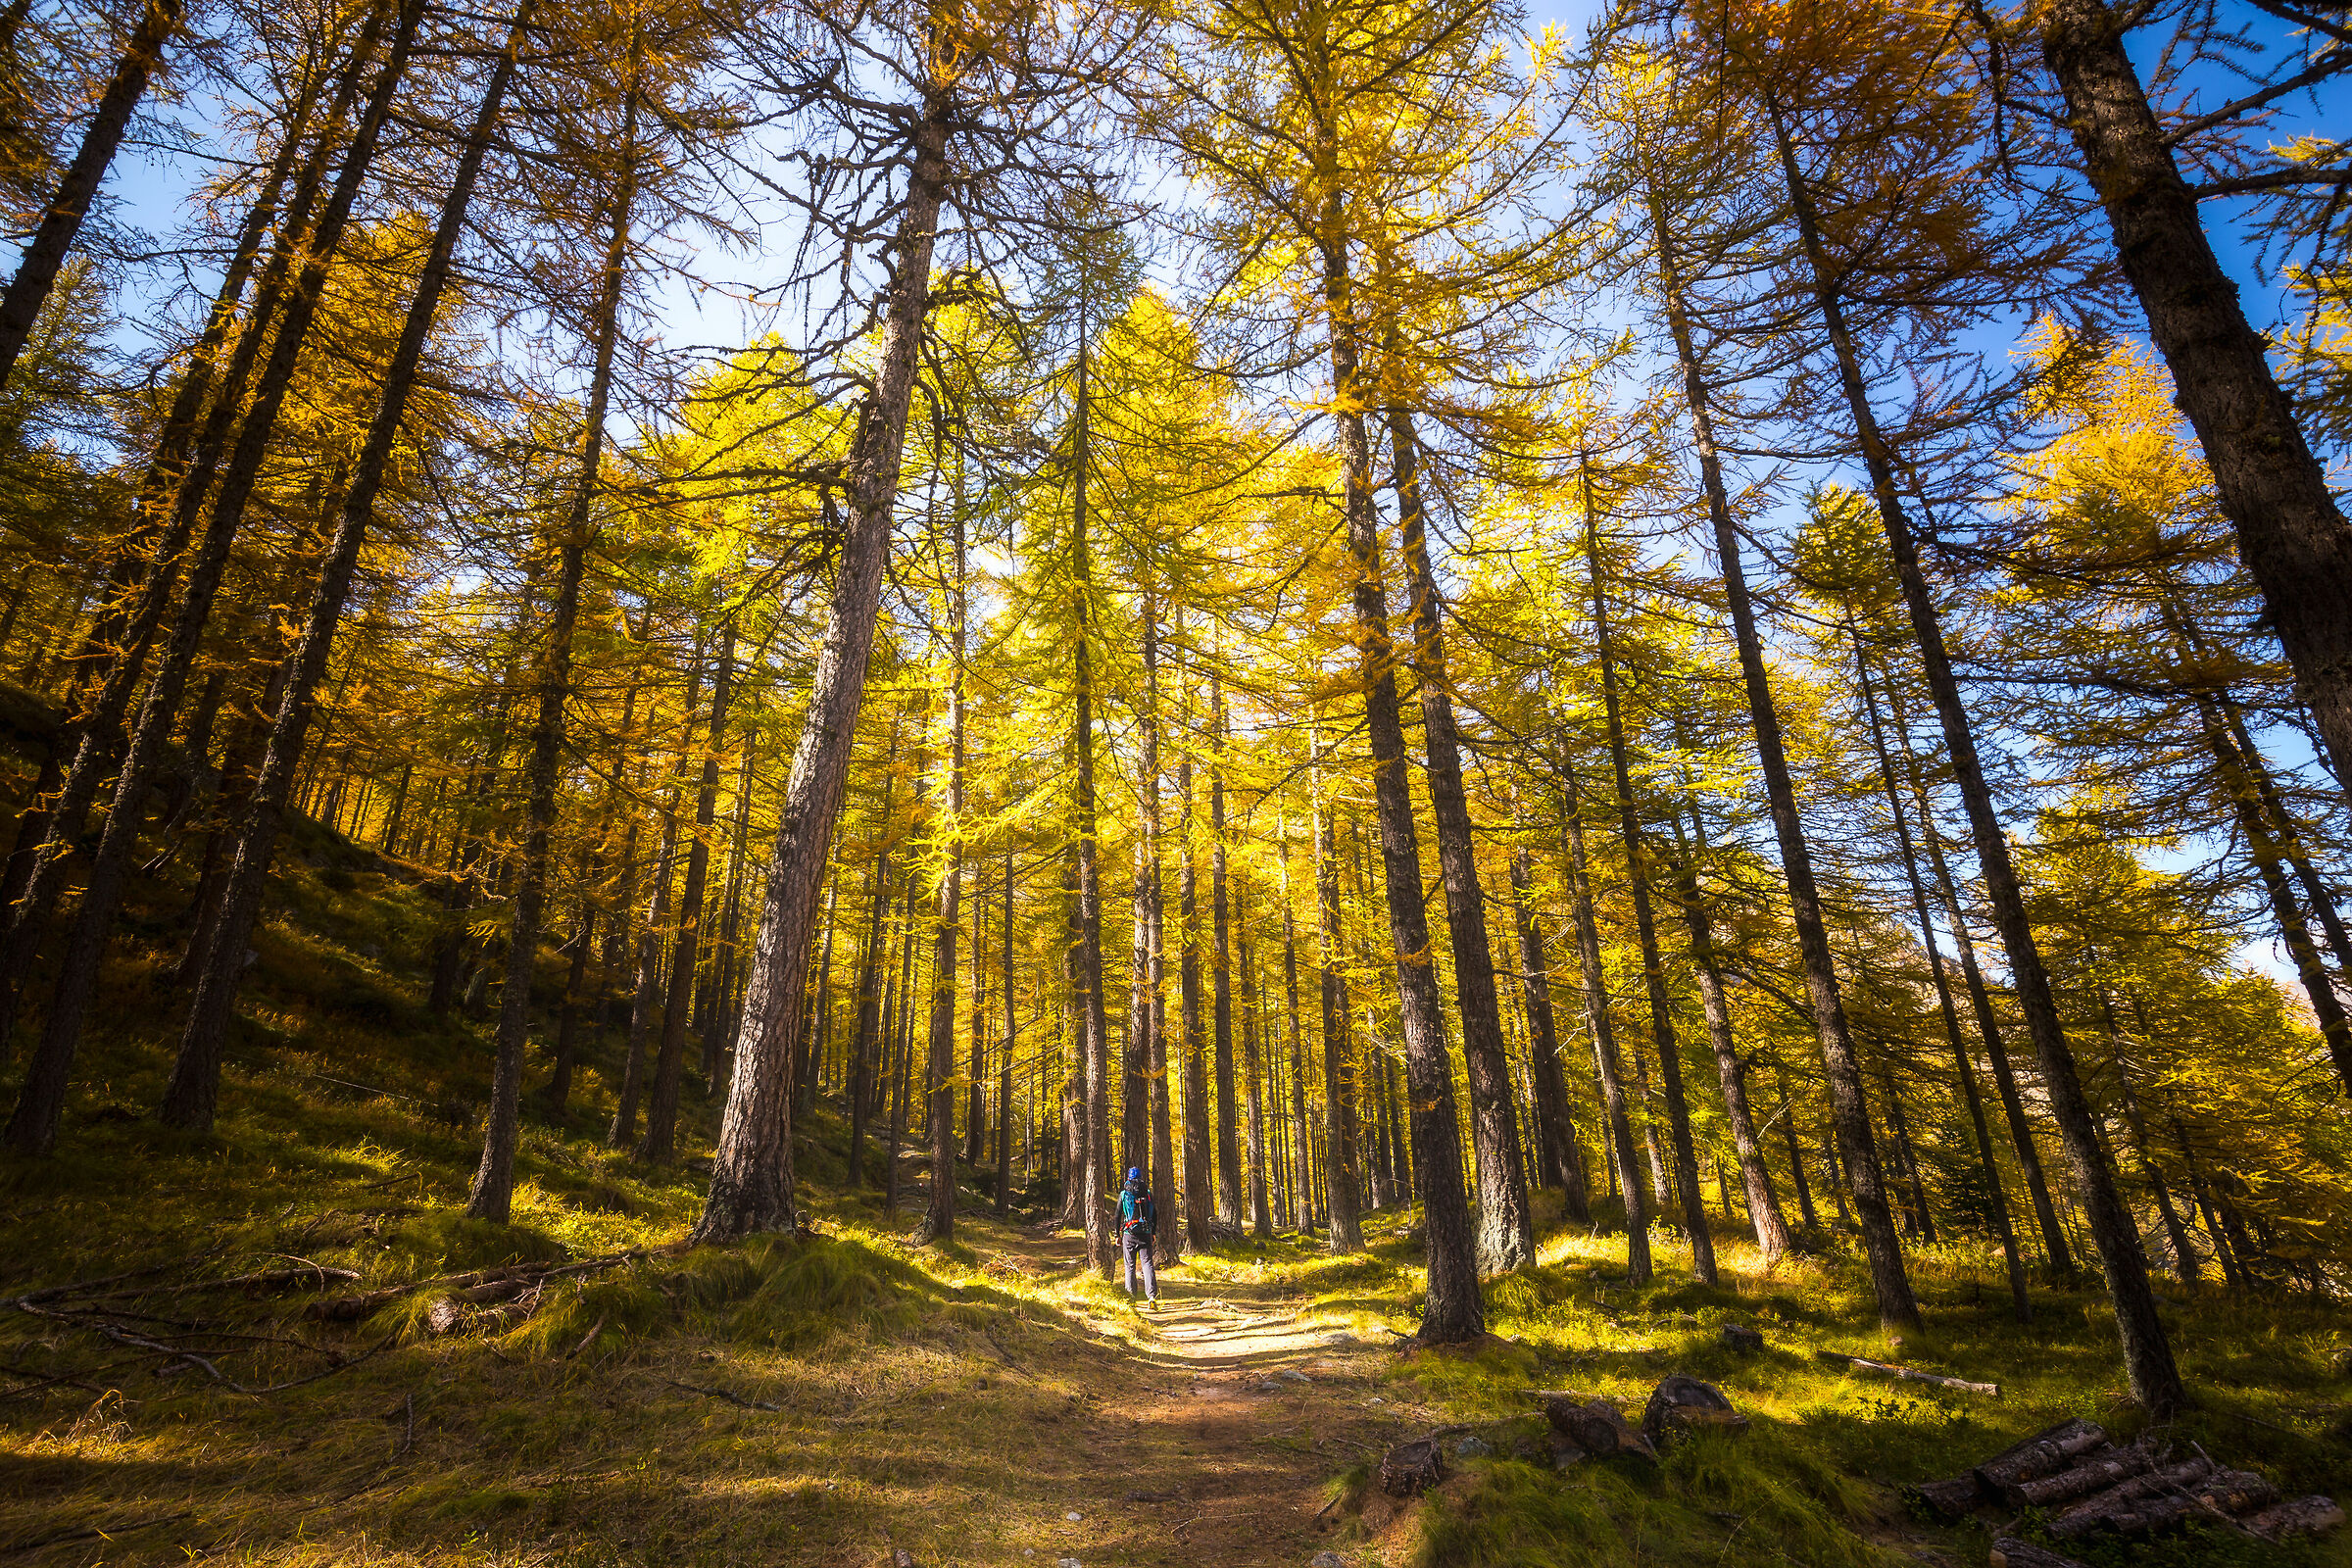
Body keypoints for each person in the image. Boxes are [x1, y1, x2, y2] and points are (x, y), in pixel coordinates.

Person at [1118, 1166, 1158, 1305]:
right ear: (1141, 1178)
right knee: (1147, 1264)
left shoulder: (1124, 1194)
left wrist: (1117, 1234)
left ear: (1128, 1178)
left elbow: (1117, 1215)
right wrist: (1153, 1232)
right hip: (1145, 1232)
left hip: (1129, 1234)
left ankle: (1131, 1297)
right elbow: (1154, 1214)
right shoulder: (1147, 1193)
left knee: (1130, 1265)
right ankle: (1151, 1296)